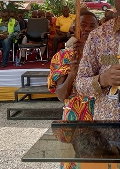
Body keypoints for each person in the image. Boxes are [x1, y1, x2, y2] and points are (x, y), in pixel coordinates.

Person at [48, 11, 98, 169]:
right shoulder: (62, 57)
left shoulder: (105, 56)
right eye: (82, 25)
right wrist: (73, 72)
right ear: (74, 28)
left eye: (92, 26)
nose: (87, 29)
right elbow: (62, 95)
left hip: (101, 121)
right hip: (73, 122)